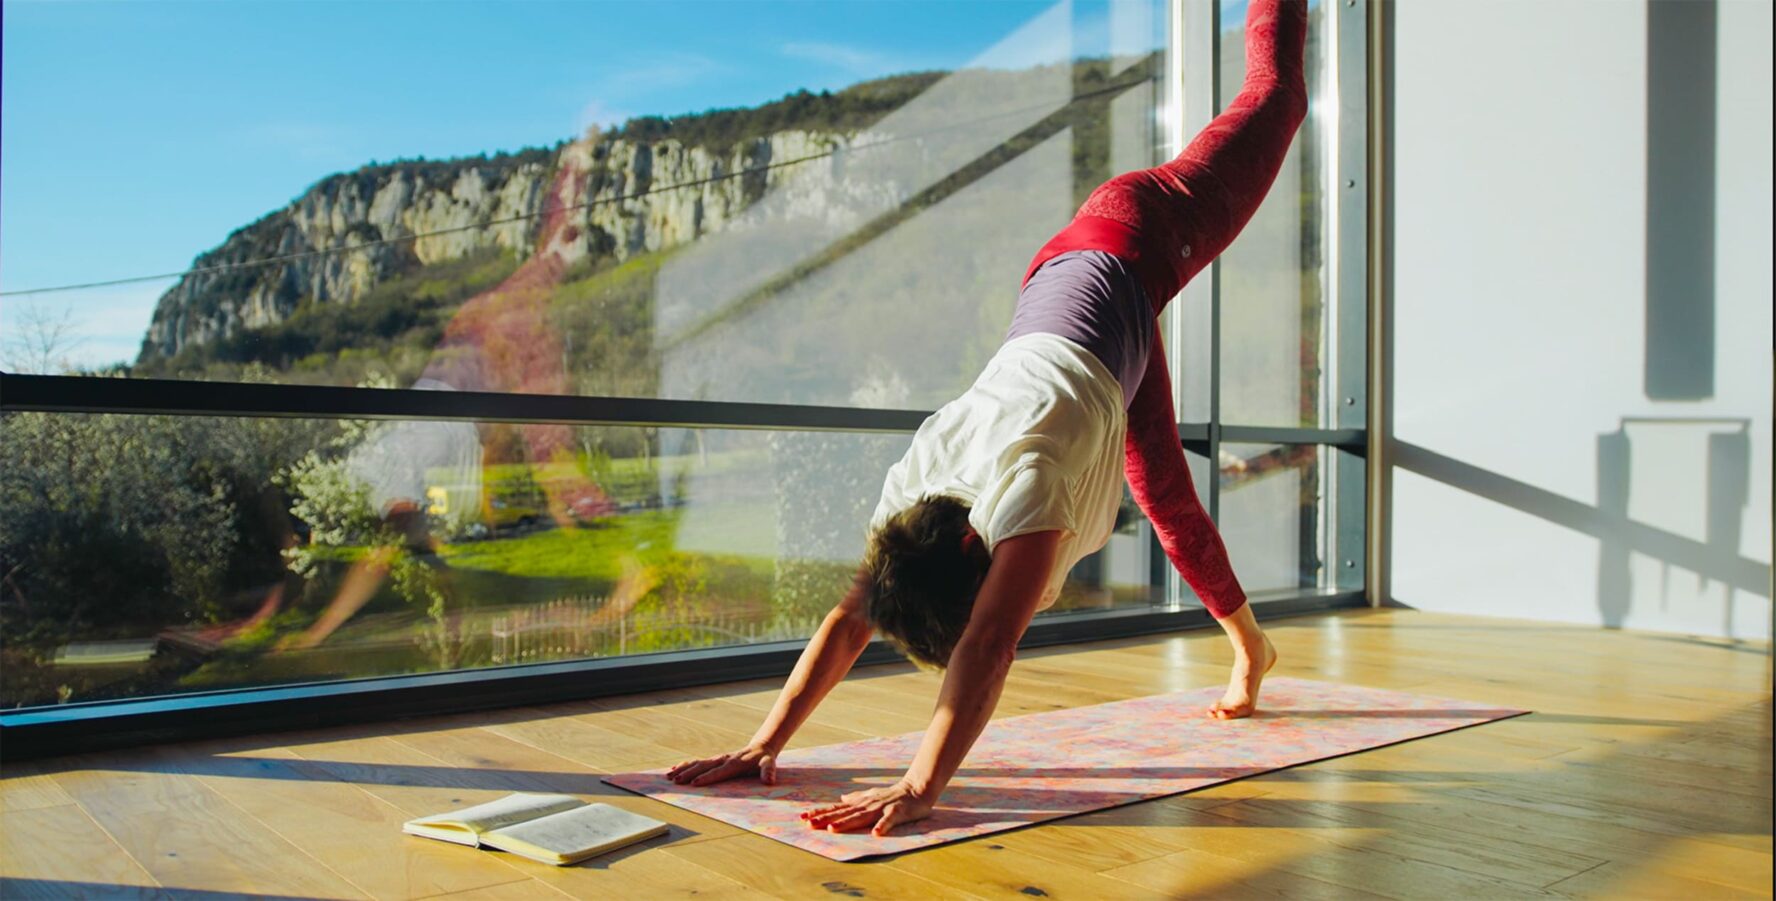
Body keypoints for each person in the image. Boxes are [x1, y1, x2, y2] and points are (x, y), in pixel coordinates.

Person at [666, 0, 1309, 838]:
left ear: (978, 543)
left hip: (1142, 233)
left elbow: (991, 643)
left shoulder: (1025, 488)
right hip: (1087, 312)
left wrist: (920, 785)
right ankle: (1252, 647)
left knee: (1276, 98)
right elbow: (851, 619)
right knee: (1167, 500)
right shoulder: (911, 497)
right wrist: (765, 741)